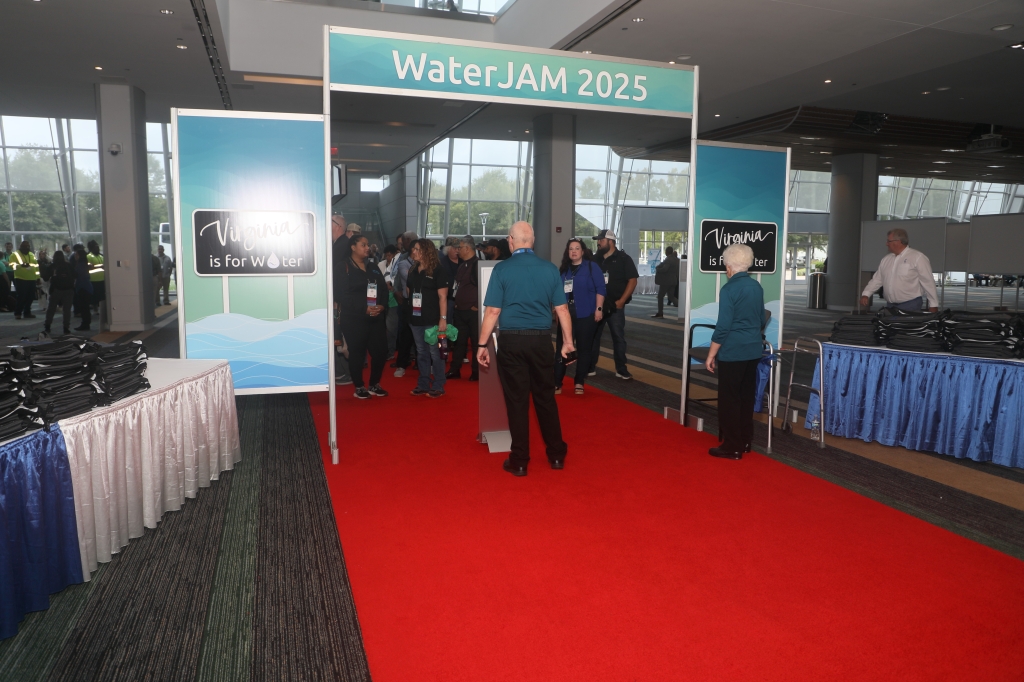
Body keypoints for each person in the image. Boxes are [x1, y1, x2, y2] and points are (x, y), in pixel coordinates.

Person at [477, 221, 574, 477]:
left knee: (517, 401)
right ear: (532, 241)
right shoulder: (550, 269)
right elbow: (562, 310)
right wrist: (568, 342)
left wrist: (482, 344)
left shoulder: (501, 269)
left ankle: (520, 460)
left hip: (511, 342)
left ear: (511, 240)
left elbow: (492, 312)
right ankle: (556, 455)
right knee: (545, 399)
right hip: (541, 341)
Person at [703, 243, 766, 460]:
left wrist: (711, 354)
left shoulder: (729, 289)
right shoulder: (756, 287)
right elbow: (761, 320)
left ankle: (732, 446)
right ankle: (745, 441)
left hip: (733, 351)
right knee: (746, 397)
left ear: (729, 266)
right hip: (753, 349)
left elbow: (723, 327)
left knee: (729, 399)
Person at [336, 234, 390, 399]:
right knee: (357, 354)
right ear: (353, 247)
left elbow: (384, 289)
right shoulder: (343, 266)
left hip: (376, 317)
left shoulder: (373, 266)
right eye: (363, 245)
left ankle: (374, 384)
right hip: (354, 319)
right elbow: (342, 295)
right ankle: (359, 386)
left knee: (380, 352)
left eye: (368, 245)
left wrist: (382, 306)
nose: (367, 248)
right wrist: (364, 309)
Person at [555, 238, 605, 395]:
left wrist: (599, 309)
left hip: (586, 314)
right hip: (566, 315)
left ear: (582, 251)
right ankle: (557, 382)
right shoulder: (564, 269)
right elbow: (557, 292)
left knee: (584, 349)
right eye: (571, 249)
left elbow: (601, 289)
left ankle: (579, 381)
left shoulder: (591, 267)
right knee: (561, 349)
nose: (574, 251)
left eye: (577, 248)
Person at [587, 229, 638, 380]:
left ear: (611, 241)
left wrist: (622, 301)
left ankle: (621, 369)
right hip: (597, 305)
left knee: (618, 337)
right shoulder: (594, 259)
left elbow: (633, 280)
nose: (598, 243)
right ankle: (590, 366)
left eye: (601, 240)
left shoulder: (623, 258)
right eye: (598, 240)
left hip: (615, 306)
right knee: (593, 337)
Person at [405, 238, 449, 397]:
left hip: (432, 319)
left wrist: (443, 318)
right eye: (413, 249)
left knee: (435, 353)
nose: (413, 252)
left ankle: (438, 385)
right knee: (421, 352)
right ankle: (423, 383)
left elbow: (443, 297)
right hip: (415, 318)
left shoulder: (438, 270)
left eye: (417, 249)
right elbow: (409, 291)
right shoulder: (412, 269)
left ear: (426, 251)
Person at [860, 228, 939, 312]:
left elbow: (928, 282)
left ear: (898, 242)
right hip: (890, 306)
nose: (886, 244)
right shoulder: (886, 259)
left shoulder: (918, 257)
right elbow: (877, 279)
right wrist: (866, 294)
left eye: (889, 241)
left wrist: (933, 304)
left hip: (911, 304)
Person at [447, 236, 480, 381]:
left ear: (467, 248)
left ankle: (477, 372)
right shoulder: (462, 265)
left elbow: (485, 286)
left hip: (472, 312)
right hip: (459, 310)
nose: (457, 250)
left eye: (459, 248)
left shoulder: (478, 265)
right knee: (458, 342)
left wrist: (476, 306)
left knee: (476, 343)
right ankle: (455, 370)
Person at [392, 231, 419, 377]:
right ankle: (402, 363)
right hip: (407, 302)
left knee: (421, 334)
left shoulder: (427, 261)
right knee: (405, 334)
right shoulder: (402, 260)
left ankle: (421, 362)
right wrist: (396, 290)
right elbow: (403, 277)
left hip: (422, 302)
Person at [42, 250, 75, 336]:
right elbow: (75, 275)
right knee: (67, 310)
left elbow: (45, 278)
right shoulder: (68, 265)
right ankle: (66, 328)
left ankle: (47, 326)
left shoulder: (52, 266)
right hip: (68, 290)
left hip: (56, 290)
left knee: (51, 309)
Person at [9, 241, 40, 319]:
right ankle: (18, 313)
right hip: (20, 278)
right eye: (25, 246)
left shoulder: (31, 254)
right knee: (21, 296)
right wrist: (21, 265)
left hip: (32, 279)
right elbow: (11, 266)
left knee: (31, 297)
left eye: (28, 246)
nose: (27, 248)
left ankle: (27, 312)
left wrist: (38, 277)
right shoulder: (14, 255)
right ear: (20, 247)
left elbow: (36, 266)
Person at [379, 244, 400, 355]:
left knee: (392, 326)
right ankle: (389, 348)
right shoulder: (381, 265)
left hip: (395, 298)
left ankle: (391, 350)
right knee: (387, 326)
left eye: (390, 255)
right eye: (386, 255)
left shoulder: (398, 263)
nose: (388, 257)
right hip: (385, 297)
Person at [70, 243, 93, 331]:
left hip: (83, 288)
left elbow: (80, 276)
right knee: (85, 308)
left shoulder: (81, 265)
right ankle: (86, 323)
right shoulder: (83, 264)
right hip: (85, 287)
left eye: (76, 254)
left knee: (84, 308)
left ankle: (85, 324)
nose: (75, 256)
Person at [652, 246, 680, 318]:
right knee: (671, 297)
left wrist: (658, 269)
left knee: (660, 296)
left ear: (666, 252)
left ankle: (660, 313)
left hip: (666, 281)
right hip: (674, 281)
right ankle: (683, 306)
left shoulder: (668, 259)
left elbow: (665, 269)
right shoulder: (676, 260)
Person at [87, 240, 104, 313]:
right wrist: (100, 266)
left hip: (102, 279)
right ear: (91, 248)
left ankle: (102, 310)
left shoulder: (101, 256)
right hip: (93, 280)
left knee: (102, 295)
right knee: (94, 296)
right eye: (96, 247)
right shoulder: (89, 256)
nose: (98, 249)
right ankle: (95, 309)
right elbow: (89, 267)